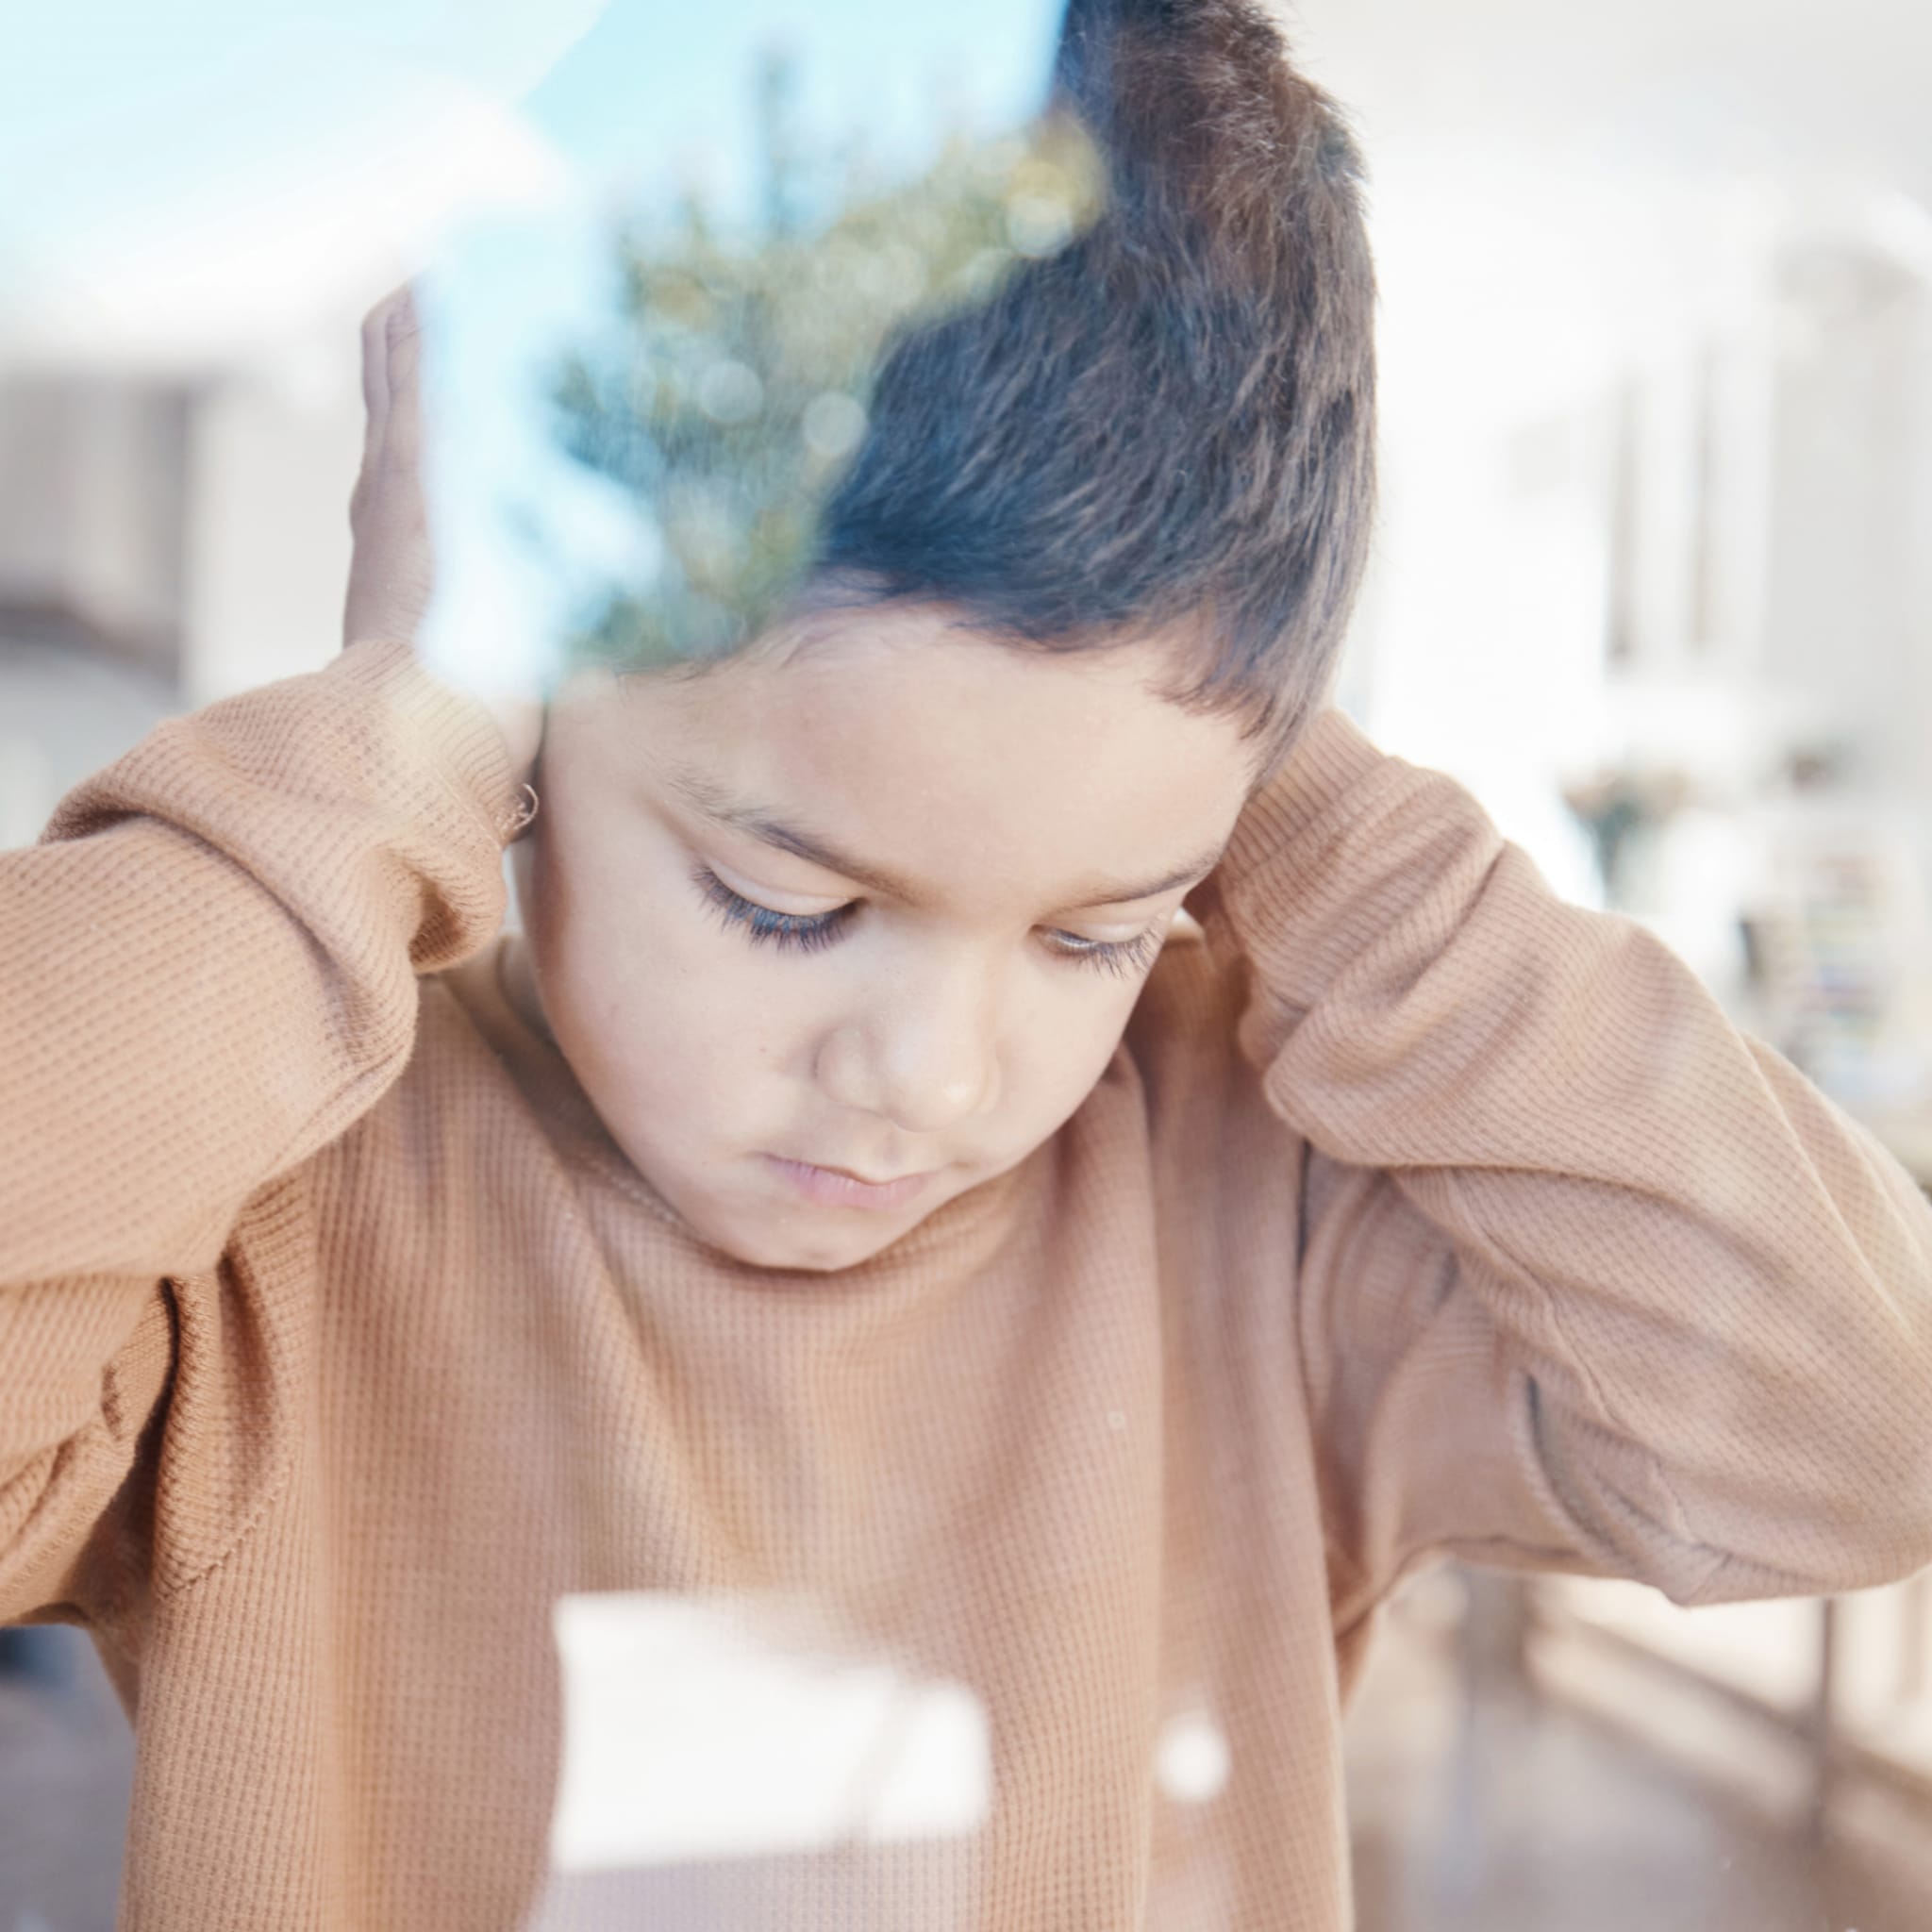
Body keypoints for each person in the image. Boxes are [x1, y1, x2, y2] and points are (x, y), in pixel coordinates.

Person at [5, 2, 1932, 1926]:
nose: (933, 1076)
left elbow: (1849, 1440)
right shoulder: (262, 1211)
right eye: (788, 904)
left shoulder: (1263, 1213)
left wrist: (1265, 758)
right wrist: (385, 734)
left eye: (1097, 927)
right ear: (527, 707)